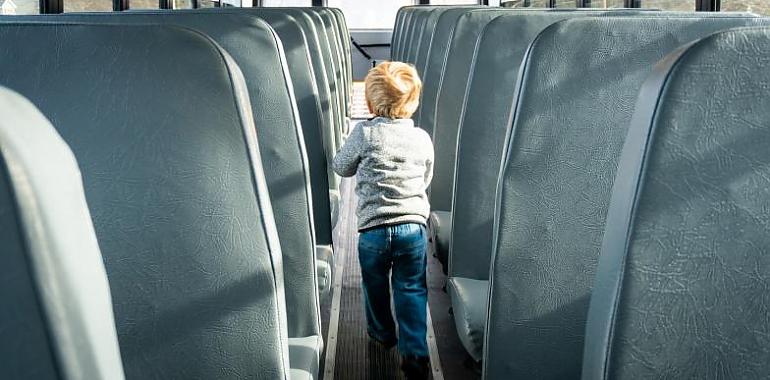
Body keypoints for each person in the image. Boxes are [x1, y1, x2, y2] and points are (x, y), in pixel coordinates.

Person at [332, 61, 434, 380]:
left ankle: (382, 334)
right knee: (412, 287)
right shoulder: (421, 137)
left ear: (371, 103)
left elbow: (341, 166)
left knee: (374, 286)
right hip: (413, 229)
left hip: (373, 232)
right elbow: (426, 177)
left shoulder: (365, 132)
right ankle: (415, 349)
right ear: (413, 101)